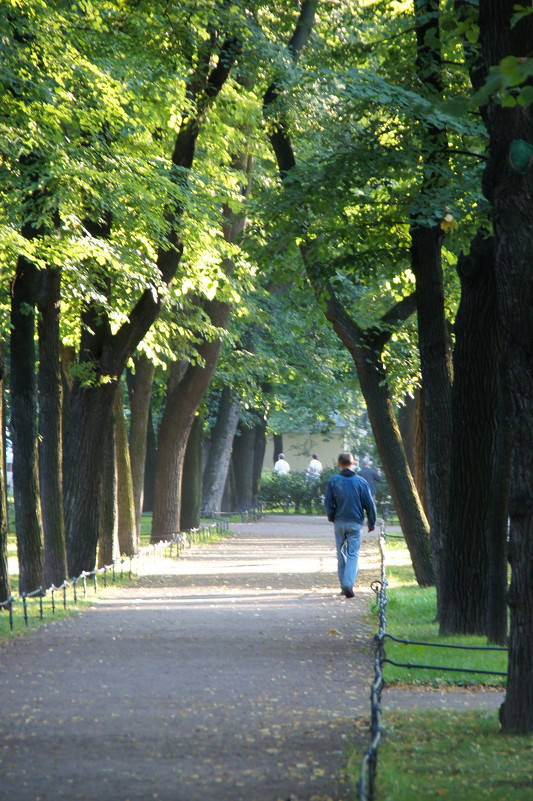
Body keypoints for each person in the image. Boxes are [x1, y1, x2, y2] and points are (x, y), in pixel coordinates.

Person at [324, 452, 376, 598]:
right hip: (355, 523)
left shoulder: (333, 481)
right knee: (353, 554)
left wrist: (331, 516)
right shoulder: (361, 482)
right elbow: (369, 505)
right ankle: (348, 584)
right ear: (353, 463)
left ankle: (343, 586)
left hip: (339, 522)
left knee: (340, 555)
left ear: (339, 464)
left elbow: (328, 502)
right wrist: (371, 522)